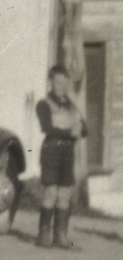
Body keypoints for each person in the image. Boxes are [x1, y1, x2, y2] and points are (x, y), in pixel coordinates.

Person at [34, 64, 87, 249]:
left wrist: (77, 108)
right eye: (58, 82)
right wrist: (70, 133)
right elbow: (47, 129)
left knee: (65, 194)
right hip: (52, 151)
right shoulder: (43, 104)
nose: (62, 86)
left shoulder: (71, 105)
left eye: (65, 82)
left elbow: (84, 129)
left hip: (68, 153)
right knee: (51, 193)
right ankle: (43, 236)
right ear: (51, 82)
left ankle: (61, 237)